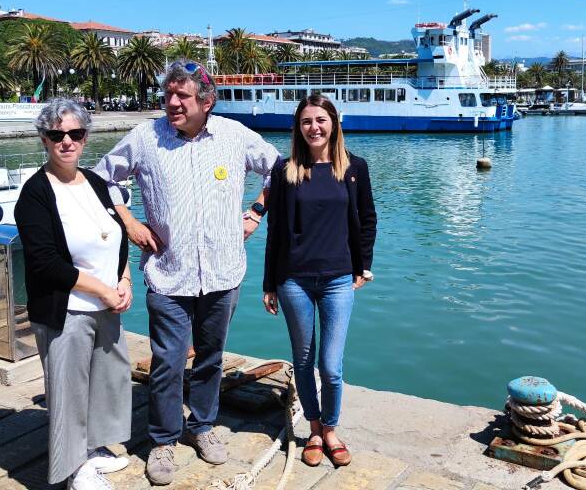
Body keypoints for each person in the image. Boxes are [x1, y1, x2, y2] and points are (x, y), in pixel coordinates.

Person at [94, 60, 279, 486]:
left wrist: (255, 212)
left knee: (211, 357)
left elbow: (280, 170)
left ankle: (202, 425)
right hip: (168, 272)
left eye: (182, 96)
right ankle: (162, 439)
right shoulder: (145, 138)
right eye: (168, 94)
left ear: (207, 101)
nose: (172, 102)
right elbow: (102, 178)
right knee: (168, 361)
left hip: (223, 271)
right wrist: (129, 222)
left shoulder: (234, 136)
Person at [14, 99, 133, 490]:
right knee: (68, 389)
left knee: (105, 380)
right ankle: (72, 468)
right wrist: (101, 288)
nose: (67, 142)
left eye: (75, 134)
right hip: (67, 307)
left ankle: (94, 447)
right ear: (44, 140)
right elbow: (45, 261)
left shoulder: (96, 182)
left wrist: (124, 280)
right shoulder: (35, 193)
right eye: (57, 135)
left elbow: (116, 237)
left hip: (105, 303)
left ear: (85, 138)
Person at [262, 94, 377, 468]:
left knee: (331, 365)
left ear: (334, 124)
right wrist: (269, 283)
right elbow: (275, 229)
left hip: (338, 278)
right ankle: (313, 429)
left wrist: (364, 265)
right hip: (293, 278)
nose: (314, 127)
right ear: (298, 126)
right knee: (304, 359)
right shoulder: (285, 170)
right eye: (307, 121)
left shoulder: (354, 168)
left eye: (321, 120)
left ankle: (330, 428)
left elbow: (367, 219)